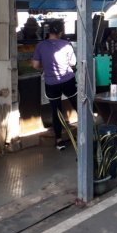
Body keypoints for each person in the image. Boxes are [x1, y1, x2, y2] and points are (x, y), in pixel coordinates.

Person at [31, 19, 77, 150]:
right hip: (68, 80)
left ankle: (59, 141)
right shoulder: (66, 44)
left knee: (56, 111)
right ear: (61, 32)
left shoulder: (40, 46)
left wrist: (44, 66)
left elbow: (35, 65)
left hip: (51, 83)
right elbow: (73, 63)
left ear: (49, 31)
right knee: (77, 105)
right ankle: (87, 134)